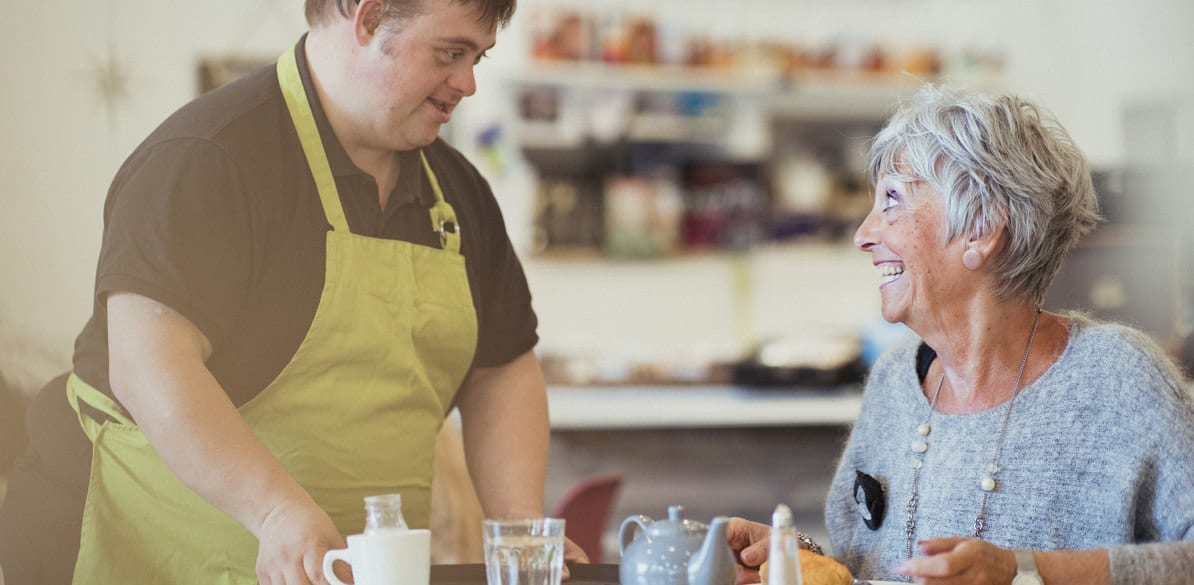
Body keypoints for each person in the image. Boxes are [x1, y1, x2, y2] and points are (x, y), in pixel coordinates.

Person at [0, 0, 589, 583]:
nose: (467, 83)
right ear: (369, 16)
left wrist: (517, 526)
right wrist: (276, 509)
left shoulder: (459, 195)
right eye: (450, 53)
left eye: (476, 58)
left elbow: (502, 368)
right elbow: (149, 364)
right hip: (141, 553)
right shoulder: (209, 158)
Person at [727, 85, 1194, 585]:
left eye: (892, 200)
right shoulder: (893, 382)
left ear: (982, 228)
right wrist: (796, 561)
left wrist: (1026, 572)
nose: (863, 234)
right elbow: (869, 568)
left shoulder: (1117, 377)